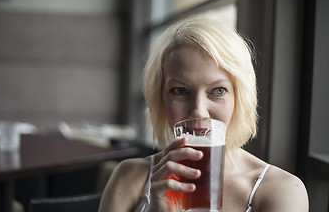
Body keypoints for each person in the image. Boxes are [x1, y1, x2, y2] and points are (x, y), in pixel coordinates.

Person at [98, 16, 309, 212]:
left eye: (218, 91)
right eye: (180, 91)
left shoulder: (281, 190)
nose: (198, 111)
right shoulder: (129, 177)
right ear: (160, 99)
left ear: (240, 97)